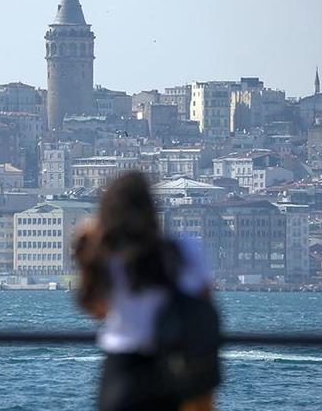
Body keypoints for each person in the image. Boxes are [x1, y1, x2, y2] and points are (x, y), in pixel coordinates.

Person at [74, 172, 218, 411]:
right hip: (169, 365)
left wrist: (84, 245)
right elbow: (204, 299)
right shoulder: (182, 249)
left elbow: (96, 309)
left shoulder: (106, 255)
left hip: (122, 368)